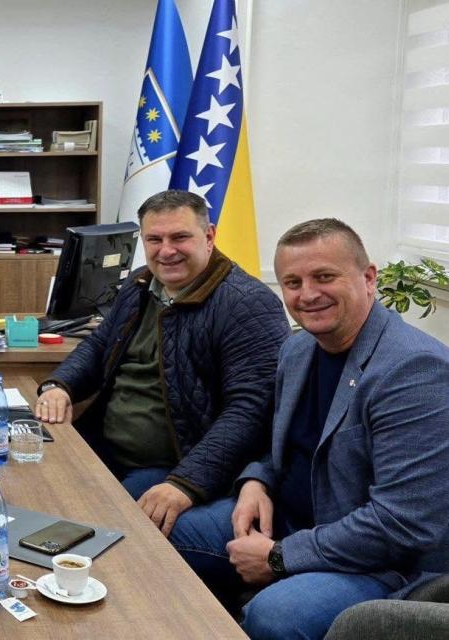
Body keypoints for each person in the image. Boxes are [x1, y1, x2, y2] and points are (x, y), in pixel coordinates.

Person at [168, 219, 449, 639]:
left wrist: (280, 557)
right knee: (161, 531)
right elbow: (279, 445)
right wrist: (256, 481)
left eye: (324, 277)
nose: (308, 294)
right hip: (288, 520)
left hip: (381, 563)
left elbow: (402, 524)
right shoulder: (298, 348)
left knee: (277, 615)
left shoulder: (414, 371)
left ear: (369, 278)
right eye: (292, 282)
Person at [35, 190, 290, 535]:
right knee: (29, 486)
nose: (166, 251)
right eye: (154, 240)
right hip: (105, 447)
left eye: (179, 237)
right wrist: (60, 386)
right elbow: (99, 344)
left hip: (173, 465)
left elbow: (250, 410)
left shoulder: (246, 303)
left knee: (90, 532)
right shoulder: (141, 284)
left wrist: (185, 482)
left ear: (209, 236)